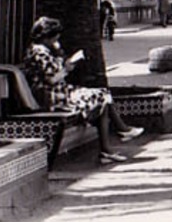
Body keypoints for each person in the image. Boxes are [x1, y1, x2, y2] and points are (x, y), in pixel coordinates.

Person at [21, 16, 141, 164]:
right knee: (102, 96)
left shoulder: (42, 50)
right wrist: (67, 69)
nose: (56, 41)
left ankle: (112, 144)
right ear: (46, 37)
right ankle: (118, 136)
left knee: (102, 98)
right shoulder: (39, 52)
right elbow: (51, 79)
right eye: (54, 38)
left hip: (59, 91)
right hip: (52, 96)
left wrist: (62, 58)